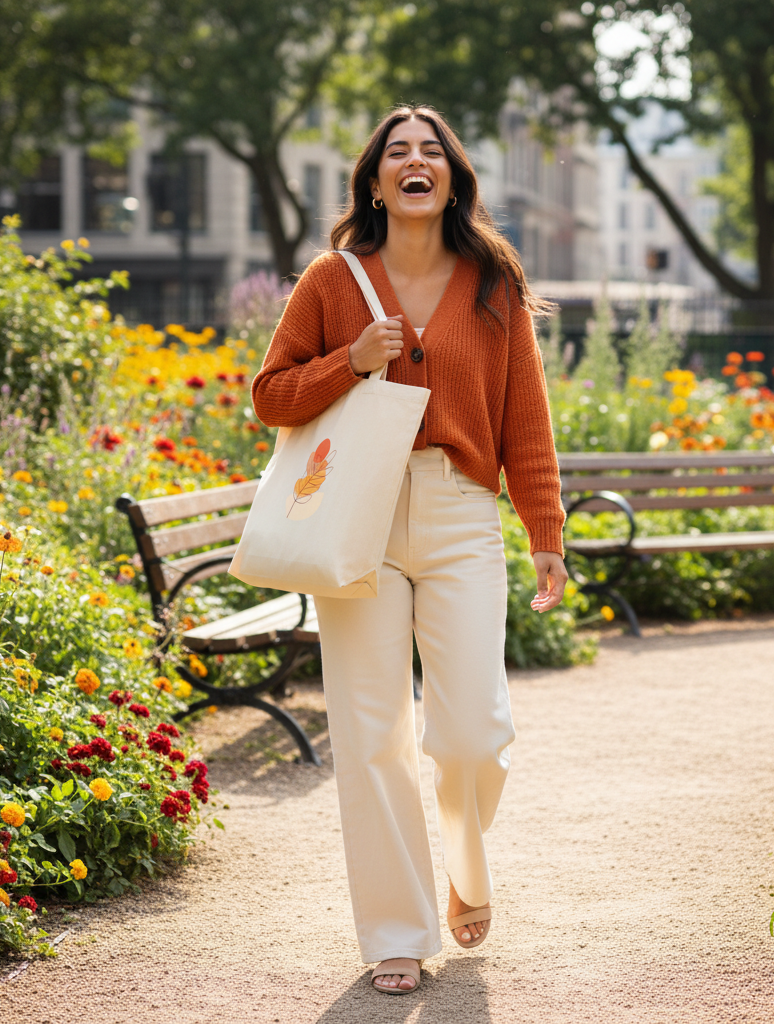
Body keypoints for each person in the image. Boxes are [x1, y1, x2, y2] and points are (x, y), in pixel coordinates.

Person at [251, 105, 567, 996]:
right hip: (357, 517)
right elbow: (271, 397)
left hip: (462, 513)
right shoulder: (331, 280)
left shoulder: (492, 283)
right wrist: (349, 360)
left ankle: (468, 861)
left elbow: (526, 424)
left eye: (433, 151)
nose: (416, 162)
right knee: (370, 729)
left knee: (474, 732)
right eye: (399, 152)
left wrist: (545, 532)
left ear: (454, 178)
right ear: (377, 181)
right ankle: (398, 930)